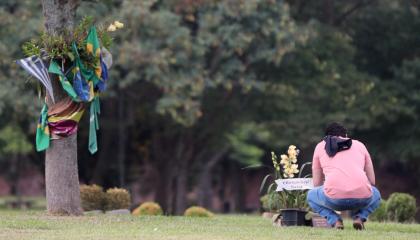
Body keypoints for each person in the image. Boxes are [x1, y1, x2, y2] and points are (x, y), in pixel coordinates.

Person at [306, 122, 381, 230]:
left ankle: (335, 221)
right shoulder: (360, 145)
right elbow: (372, 181)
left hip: (334, 199)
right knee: (376, 194)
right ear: (345, 135)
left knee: (311, 195)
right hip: (362, 198)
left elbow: (316, 183)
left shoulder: (320, 146)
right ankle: (360, 218)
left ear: (326, 137)